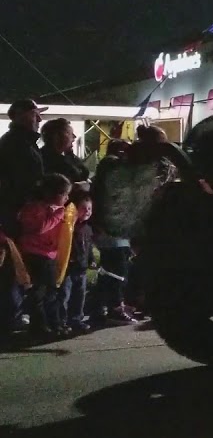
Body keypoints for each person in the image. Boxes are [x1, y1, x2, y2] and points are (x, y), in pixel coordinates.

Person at [91, 125, 183, 324]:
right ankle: (111, 307)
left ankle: (131, 303)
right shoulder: (123, 164)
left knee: (130, 267)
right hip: (122, 225)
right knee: (117, 268)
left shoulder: (157, 164)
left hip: (138, 226)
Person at [0, 98, 46, 335]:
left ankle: (16, 314)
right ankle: (11, 317)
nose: (39, 119)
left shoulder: (26, 143)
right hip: (15, 215)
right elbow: (15, 183)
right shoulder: (13, 144)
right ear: (18, 115)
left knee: (21, 265)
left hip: (24, 214)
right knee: (13, 266)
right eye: (34, 114)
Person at [17, 173, 73, 338]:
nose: (67, 198)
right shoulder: (35, 208)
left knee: (51, 292)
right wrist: (57, 215)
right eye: (64, 194)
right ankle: (40, 326)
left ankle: (54, 324)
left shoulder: (56, 210)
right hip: (35, 254)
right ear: (54, 194)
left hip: (49, 255)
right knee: (41, 293)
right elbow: (40, 227)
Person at [59, 186, 94, 333]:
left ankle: (76, 319)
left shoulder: (87, 229)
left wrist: (91, 259)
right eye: (84, 208)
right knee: (65, 295)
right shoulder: (69, 228)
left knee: (79, 296)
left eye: (90, 209)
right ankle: (62, 321)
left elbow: (89, 247)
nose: (87, 212)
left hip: (82, 268)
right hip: (69, 268)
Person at [40, 117, 90, 186]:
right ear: (57, 136)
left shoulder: (45, 155)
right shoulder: (52, 161)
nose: (74, 137)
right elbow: (80, 175)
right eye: (70, 133)